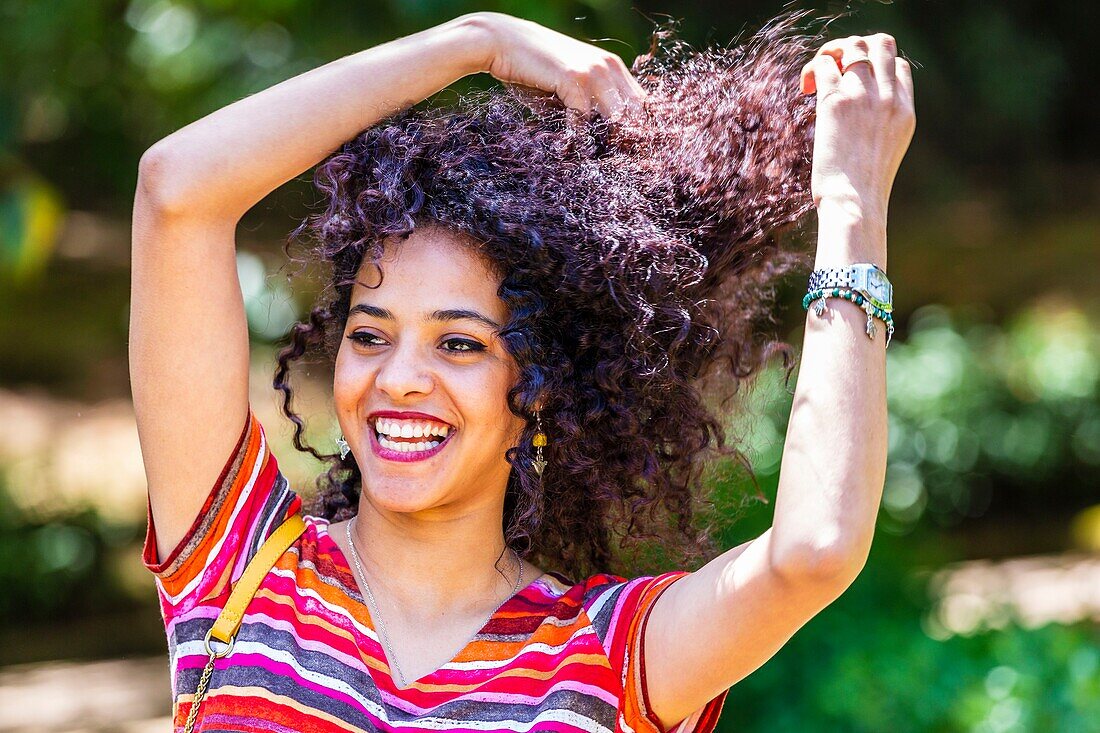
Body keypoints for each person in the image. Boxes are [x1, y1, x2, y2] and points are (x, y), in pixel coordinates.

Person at [131, 9, 914, 733]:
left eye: (460, 343)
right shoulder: (242, 569)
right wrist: (475, 43)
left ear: (542, 387)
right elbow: (177, 190)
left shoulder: (603, 657)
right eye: (371, 335)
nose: (399, 378)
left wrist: (851, 206)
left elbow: (814, 549)